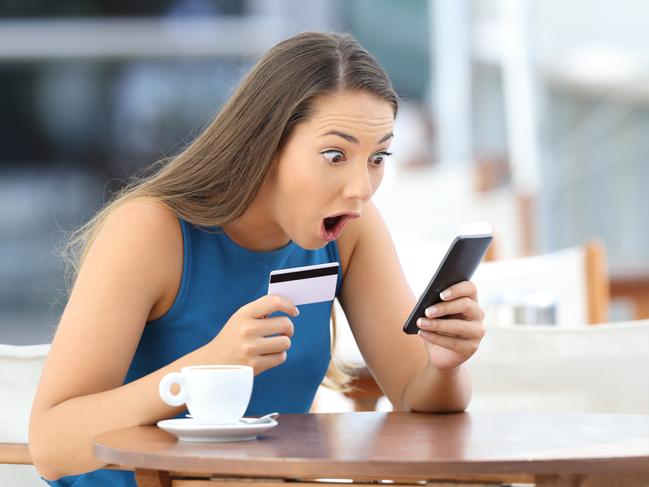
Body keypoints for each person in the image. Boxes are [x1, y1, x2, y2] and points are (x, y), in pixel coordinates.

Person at [29, 31, 486, 486]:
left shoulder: (351, 231)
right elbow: (51, 446)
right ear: (266, 144)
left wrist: (444, 364)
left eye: (378, 157)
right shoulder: (149, 231)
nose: (360, 189)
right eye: (334, 155)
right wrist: (205, 369)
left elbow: (414, 398)